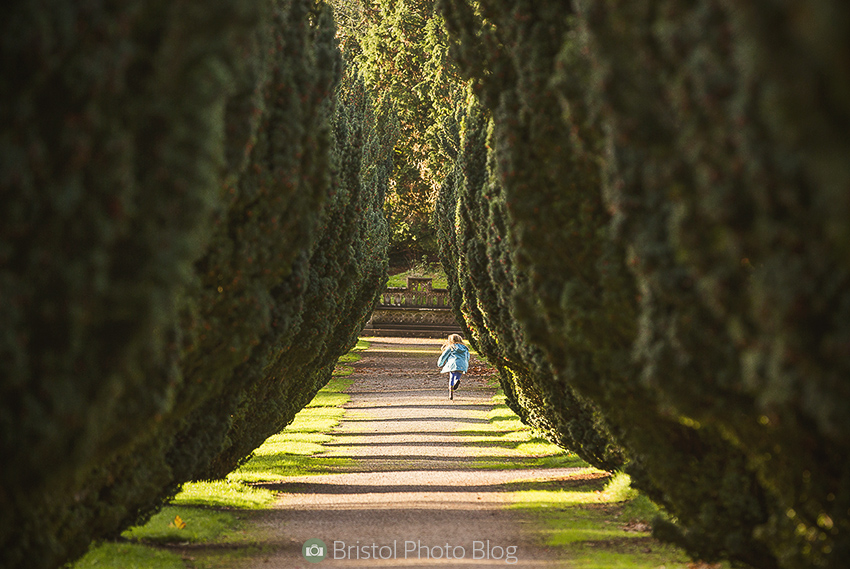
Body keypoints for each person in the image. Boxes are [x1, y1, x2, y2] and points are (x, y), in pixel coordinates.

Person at [437, 334, 469, 400]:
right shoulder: (465, 348)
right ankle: (457, 380)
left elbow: (444, 356)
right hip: (462, 364)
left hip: (453, 364)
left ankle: (450, 394)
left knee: (452, 377)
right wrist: (466, 363)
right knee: (458, 375)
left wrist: (440, 363)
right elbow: (467, 357)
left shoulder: (451, 347)